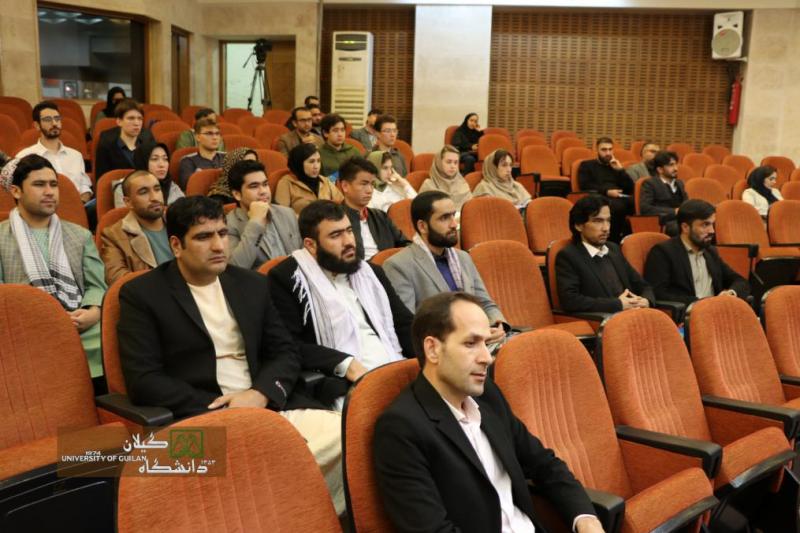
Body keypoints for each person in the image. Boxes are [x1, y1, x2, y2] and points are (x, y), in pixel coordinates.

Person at [116, 196, 344, 513]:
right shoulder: (142, 294)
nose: (218, 245)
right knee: (267, 462)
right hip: (200, 416)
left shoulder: (252, 284)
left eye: (222, 233)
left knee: (348, 436)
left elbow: (285, 352)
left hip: (267, 405)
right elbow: (144, 379)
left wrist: (260, 394)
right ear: (177, 245)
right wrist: (224, 408)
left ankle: (300, 516)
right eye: (203, 237)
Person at [373, 291, 601, 533]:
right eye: (471, 343)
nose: (487, 358)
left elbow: (544, 464)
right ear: (433, 349)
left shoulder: (488, 395)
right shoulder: (401, 428)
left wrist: (586, 519)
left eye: (487, 343)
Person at [267, 200, 414, 409]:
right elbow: (291, 345)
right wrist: (345, 364)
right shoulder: (288, 279)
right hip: (345, 383)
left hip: (395, 366)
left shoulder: (371, 273)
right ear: (310, 245)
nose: (348, 242)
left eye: (349, 231)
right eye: (335, 235)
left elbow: (404, 324)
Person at [0, 155, 106, 376]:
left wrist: (93, 312)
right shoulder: (1, 237)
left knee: (115, 338)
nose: (49, 192)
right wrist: (46, 319)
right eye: (39, 184)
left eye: (53, 184)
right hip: (25, 328)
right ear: (16, 191)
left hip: (81, 325)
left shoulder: (80, 235)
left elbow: (96, 285)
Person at [383, 191, 507, 346]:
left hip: (482, 341)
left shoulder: (463, 258)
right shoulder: (398, 266)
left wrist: (497, 325)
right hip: (444, 349)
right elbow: (410, 327)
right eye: (444, 218)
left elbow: (486, 303)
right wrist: (465, 338)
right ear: (422, 226)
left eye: (453, 216)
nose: (454, 224)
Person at [556, 195, 654, 313]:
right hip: (603, 319)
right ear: (579, 225)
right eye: (598, 221)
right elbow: (570, 301)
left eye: (608, 220)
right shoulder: (568, 256)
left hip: (633, 314)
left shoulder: (614, 249)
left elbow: (643, 285)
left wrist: (646, 300)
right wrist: (618, 304)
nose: (606, 228)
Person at [644, 199, 750, 305]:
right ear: (685, 227)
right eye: (705, 225)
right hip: (688, 312)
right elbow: (658, 294)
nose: (712, 231)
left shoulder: (710, 252)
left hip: (716, 309)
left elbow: (740, 281)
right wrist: (702, 303)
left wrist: (731, 293)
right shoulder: (663, 253)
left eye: (712, 224)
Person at [226, 159, 301, 269]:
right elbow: (235, 268)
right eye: (254, 186)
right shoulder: (229, 225)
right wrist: (255, 223)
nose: (263, 191)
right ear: (237, 194)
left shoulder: (287, 213)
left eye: (265, 184)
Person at [101, 170, 173, 284]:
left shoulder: (179, 220)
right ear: (128, 202)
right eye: (143, 192)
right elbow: (117, 279)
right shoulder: (114, 235)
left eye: (157, 189)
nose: (154, 197)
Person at [16, 101, 93, 204]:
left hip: (76, 207)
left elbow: (84, 187)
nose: (54, 123)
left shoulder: (76, 155)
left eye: (57, 119)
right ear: (37, 125)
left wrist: (80, 204)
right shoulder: (24, 156)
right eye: (48, 120)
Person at [338, 157, 409, 260]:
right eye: (364, 184)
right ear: (345, 186)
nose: (370, 190)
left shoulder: (380, 216)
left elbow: (406, 244)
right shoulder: (335, 221)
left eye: (372, 184)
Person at [577, 137, 634, 242]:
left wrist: (620, 170)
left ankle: (629, 239)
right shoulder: (586, 165)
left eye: (610, 149)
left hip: (619, 198)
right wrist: (607, 192)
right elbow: (585, 185)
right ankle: (613, 240)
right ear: (597, 150)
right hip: (599, 197)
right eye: (604, 150)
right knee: (618, 207)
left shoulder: (615, 166)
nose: (608, 153)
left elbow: (630, 188)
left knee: (636, 203)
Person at [94, 98, 155, 182]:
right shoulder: (107, 144)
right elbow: (102, 179)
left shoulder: (148, 140)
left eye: (140, 119)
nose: (136, 123)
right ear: (119, 121)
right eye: (131, 118)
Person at [274, 143, 343, 215]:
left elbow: (341, 204)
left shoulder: (324, 180)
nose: (316, 166)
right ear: (299, 163)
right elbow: (282, 215)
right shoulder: (286, 183)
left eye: (318, 161)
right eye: (311, 162)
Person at [113, 142, 184, 208]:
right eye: (154, 159)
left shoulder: (170, 184)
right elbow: (124, 215)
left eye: (165, 159)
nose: (162, 165)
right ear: (143, 161)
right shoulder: (124, 188)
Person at [639, 150, 687, 236]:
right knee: (681, 229)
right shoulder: (650, 184)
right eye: (671, 165)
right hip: (664, 221)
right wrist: (673, 211)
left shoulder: (680, 183)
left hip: (682, 220)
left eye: (676, 164)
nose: (676, 168)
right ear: (660, 170)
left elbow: (686, 203)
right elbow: (646, 208)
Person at [418, 145, 473, 211]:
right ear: (439, 163)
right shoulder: (428, 185)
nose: (453, 166)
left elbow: (471, 210)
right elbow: (421, 212)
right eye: (449, 162)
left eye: (455, 163)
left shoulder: (463, 184)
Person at [178, 117, 225, 189]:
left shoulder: (227, 157)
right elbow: (189, 188)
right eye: (209, 133)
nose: (215, 137)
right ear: (197, 137)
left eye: (217, 133)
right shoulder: (187, 161)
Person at [318, 113, 360, 179]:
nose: (340, 134)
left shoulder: (354, 151)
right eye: (335, 130)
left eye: (342, 130)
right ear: (325, 133)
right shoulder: (318, 153)